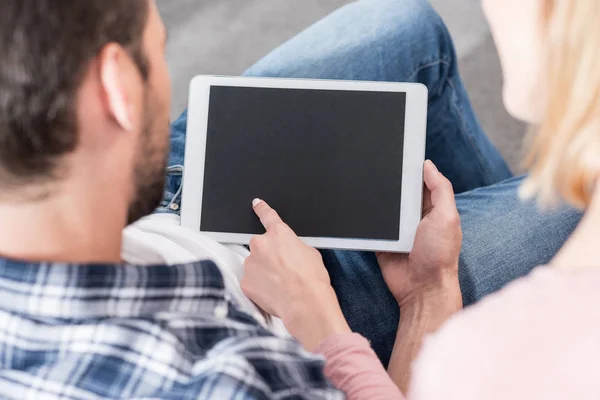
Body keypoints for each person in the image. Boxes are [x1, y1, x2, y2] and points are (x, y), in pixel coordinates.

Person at [0, 0, 580, 398]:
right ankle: (503, 329)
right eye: (160, 50)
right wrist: (428, 293)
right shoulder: (229, 379)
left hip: (141, 193)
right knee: (580, 208)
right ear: (118, 88)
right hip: (301, 309)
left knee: (404, 25)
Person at [252, 0, 600, 398]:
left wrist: (312, 311)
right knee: (405, 24)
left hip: (263, 293)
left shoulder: (471, 363)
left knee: (405, 29)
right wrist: (427, 291)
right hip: (198, 236)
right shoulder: (475, 361)